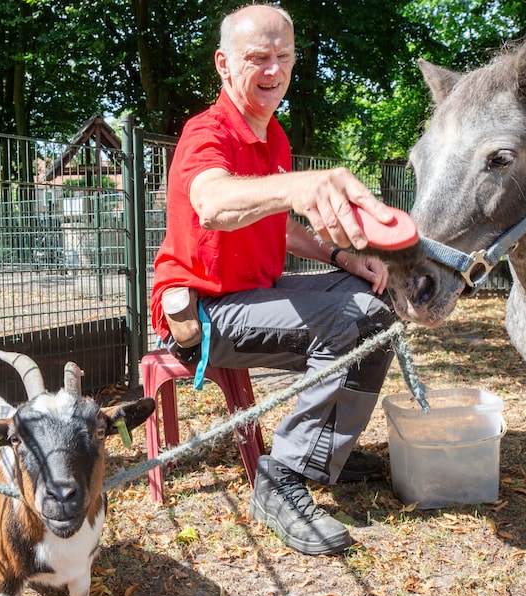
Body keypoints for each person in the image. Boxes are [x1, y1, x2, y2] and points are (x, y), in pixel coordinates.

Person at [150, 4, 397, 555]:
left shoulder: (275, 136)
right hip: (204, 314)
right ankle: (281, 478)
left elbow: (279, 227)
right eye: (257, 57)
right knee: (346, 318)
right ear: (223, 63)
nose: (272, 70)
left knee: (379, 306)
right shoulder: (205, 133)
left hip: (257, 295)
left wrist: (342, 257)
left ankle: (324, 447)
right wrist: (294, 188)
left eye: (282, 57)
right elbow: (213, 203)